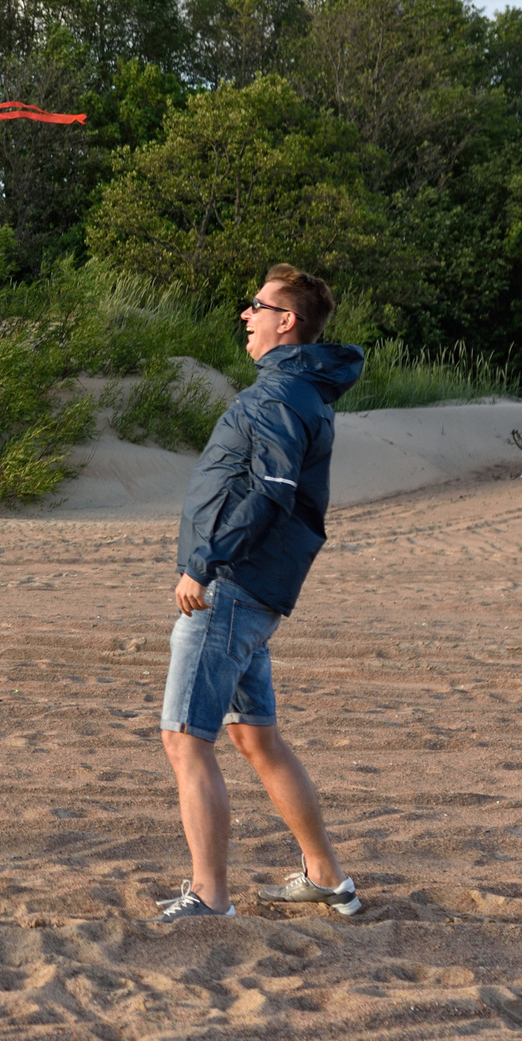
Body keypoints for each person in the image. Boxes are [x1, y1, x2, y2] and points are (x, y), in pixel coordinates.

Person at [149, 264, 366, 926]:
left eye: (257, 306)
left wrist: (206, 562)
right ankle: (327, 878)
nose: (246, 315)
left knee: (185, 737)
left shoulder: (280, 396)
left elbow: (270, 492)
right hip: (255, 589)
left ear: (287, 320)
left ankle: (210, 895)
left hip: (234, 587)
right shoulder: (293, 389)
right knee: (255, 737)